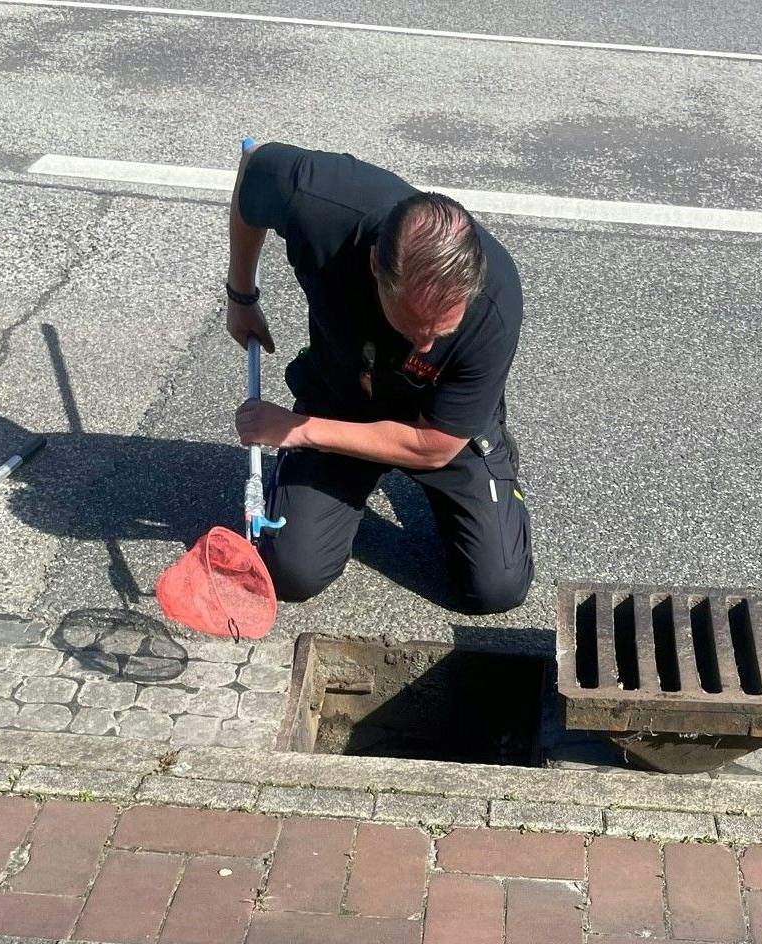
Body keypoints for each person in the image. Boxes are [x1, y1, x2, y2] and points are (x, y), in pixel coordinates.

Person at [226, 140, 533, 614]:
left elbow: (432, 445)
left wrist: (296, 430)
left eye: (442, 331)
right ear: (375, 267)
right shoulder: (318, 202)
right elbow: (254, 169)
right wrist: (241, 294)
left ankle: (490, 467)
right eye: (413, 327)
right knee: (290, 573)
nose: (427, 347)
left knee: (496, 589)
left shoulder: (495, 302)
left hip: (434, 422)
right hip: (343, 393)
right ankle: (344, 488)